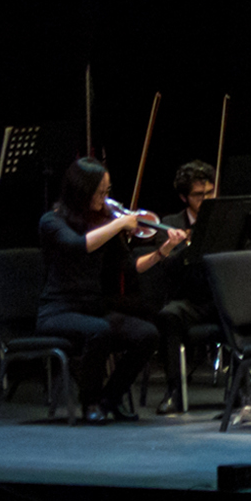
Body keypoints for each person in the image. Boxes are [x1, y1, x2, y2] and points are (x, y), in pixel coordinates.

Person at [38, 157, 184, 421]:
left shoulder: (103, 223)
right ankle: (89, 403)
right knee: (99, 331)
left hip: (93, 309)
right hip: (58, 311)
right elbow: (78, 245)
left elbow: (129, 266)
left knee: (147, 333)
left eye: (108, 191)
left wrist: (163, 251)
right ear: (82, 191)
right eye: (100, 192)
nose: (106, 199)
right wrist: (118, 224)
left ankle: (109, 399)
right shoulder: (52, 221)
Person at [145, 159, 219, 415]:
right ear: (184, 197)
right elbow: (166, 270)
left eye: (210, 192)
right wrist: (184, 247)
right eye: (199, 195)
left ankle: (241, 391)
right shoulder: (170, 223)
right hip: (189, 300)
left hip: (220, 297)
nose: (206, 199)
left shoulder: (223, 216)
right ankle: (174, 391)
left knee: (242, 310)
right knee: (169, 315)